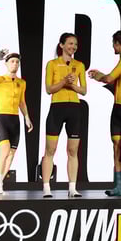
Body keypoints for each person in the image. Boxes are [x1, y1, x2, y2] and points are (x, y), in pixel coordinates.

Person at [88, 29, 121, 197]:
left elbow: (110, 78)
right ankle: (118, 186)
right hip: (118, 108)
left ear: (118, 43)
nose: (113, 47)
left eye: (113, 44)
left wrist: (98, 75)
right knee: (117, 147)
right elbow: (115, 81)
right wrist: (102, 76)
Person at [0, 48, 33, 194]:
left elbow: (22, 102)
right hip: (2, 118)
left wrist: (27, 117)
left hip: (15, 120)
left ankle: (0, 182)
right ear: (7, 64)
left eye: (17, 62)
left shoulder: (22, 82)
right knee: (5, 150)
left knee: (12, 154)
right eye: (12, 61)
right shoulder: (0, 79)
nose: (15, 64)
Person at [43, 33, 86, 198]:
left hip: (74, 108)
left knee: (73, 150)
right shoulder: (52, 64)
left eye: (75, 44)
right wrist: (63, 82)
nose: (73, 47)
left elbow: (84, 91)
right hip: (57, 108)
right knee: (50, 149)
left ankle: (72, 188)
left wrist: (72, 85)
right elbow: (49, 89)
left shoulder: (79, 65)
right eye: (70, 43)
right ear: (61, 45)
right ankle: (46, 187)